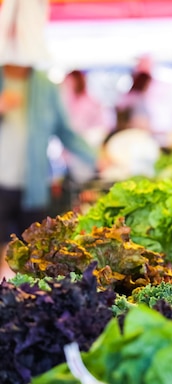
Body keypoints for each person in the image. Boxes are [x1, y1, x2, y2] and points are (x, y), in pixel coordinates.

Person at [0, 0, 98, 279]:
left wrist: (95, 156)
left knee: (30, 260)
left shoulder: (44, 84)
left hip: (33, 186)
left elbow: (65, 131)